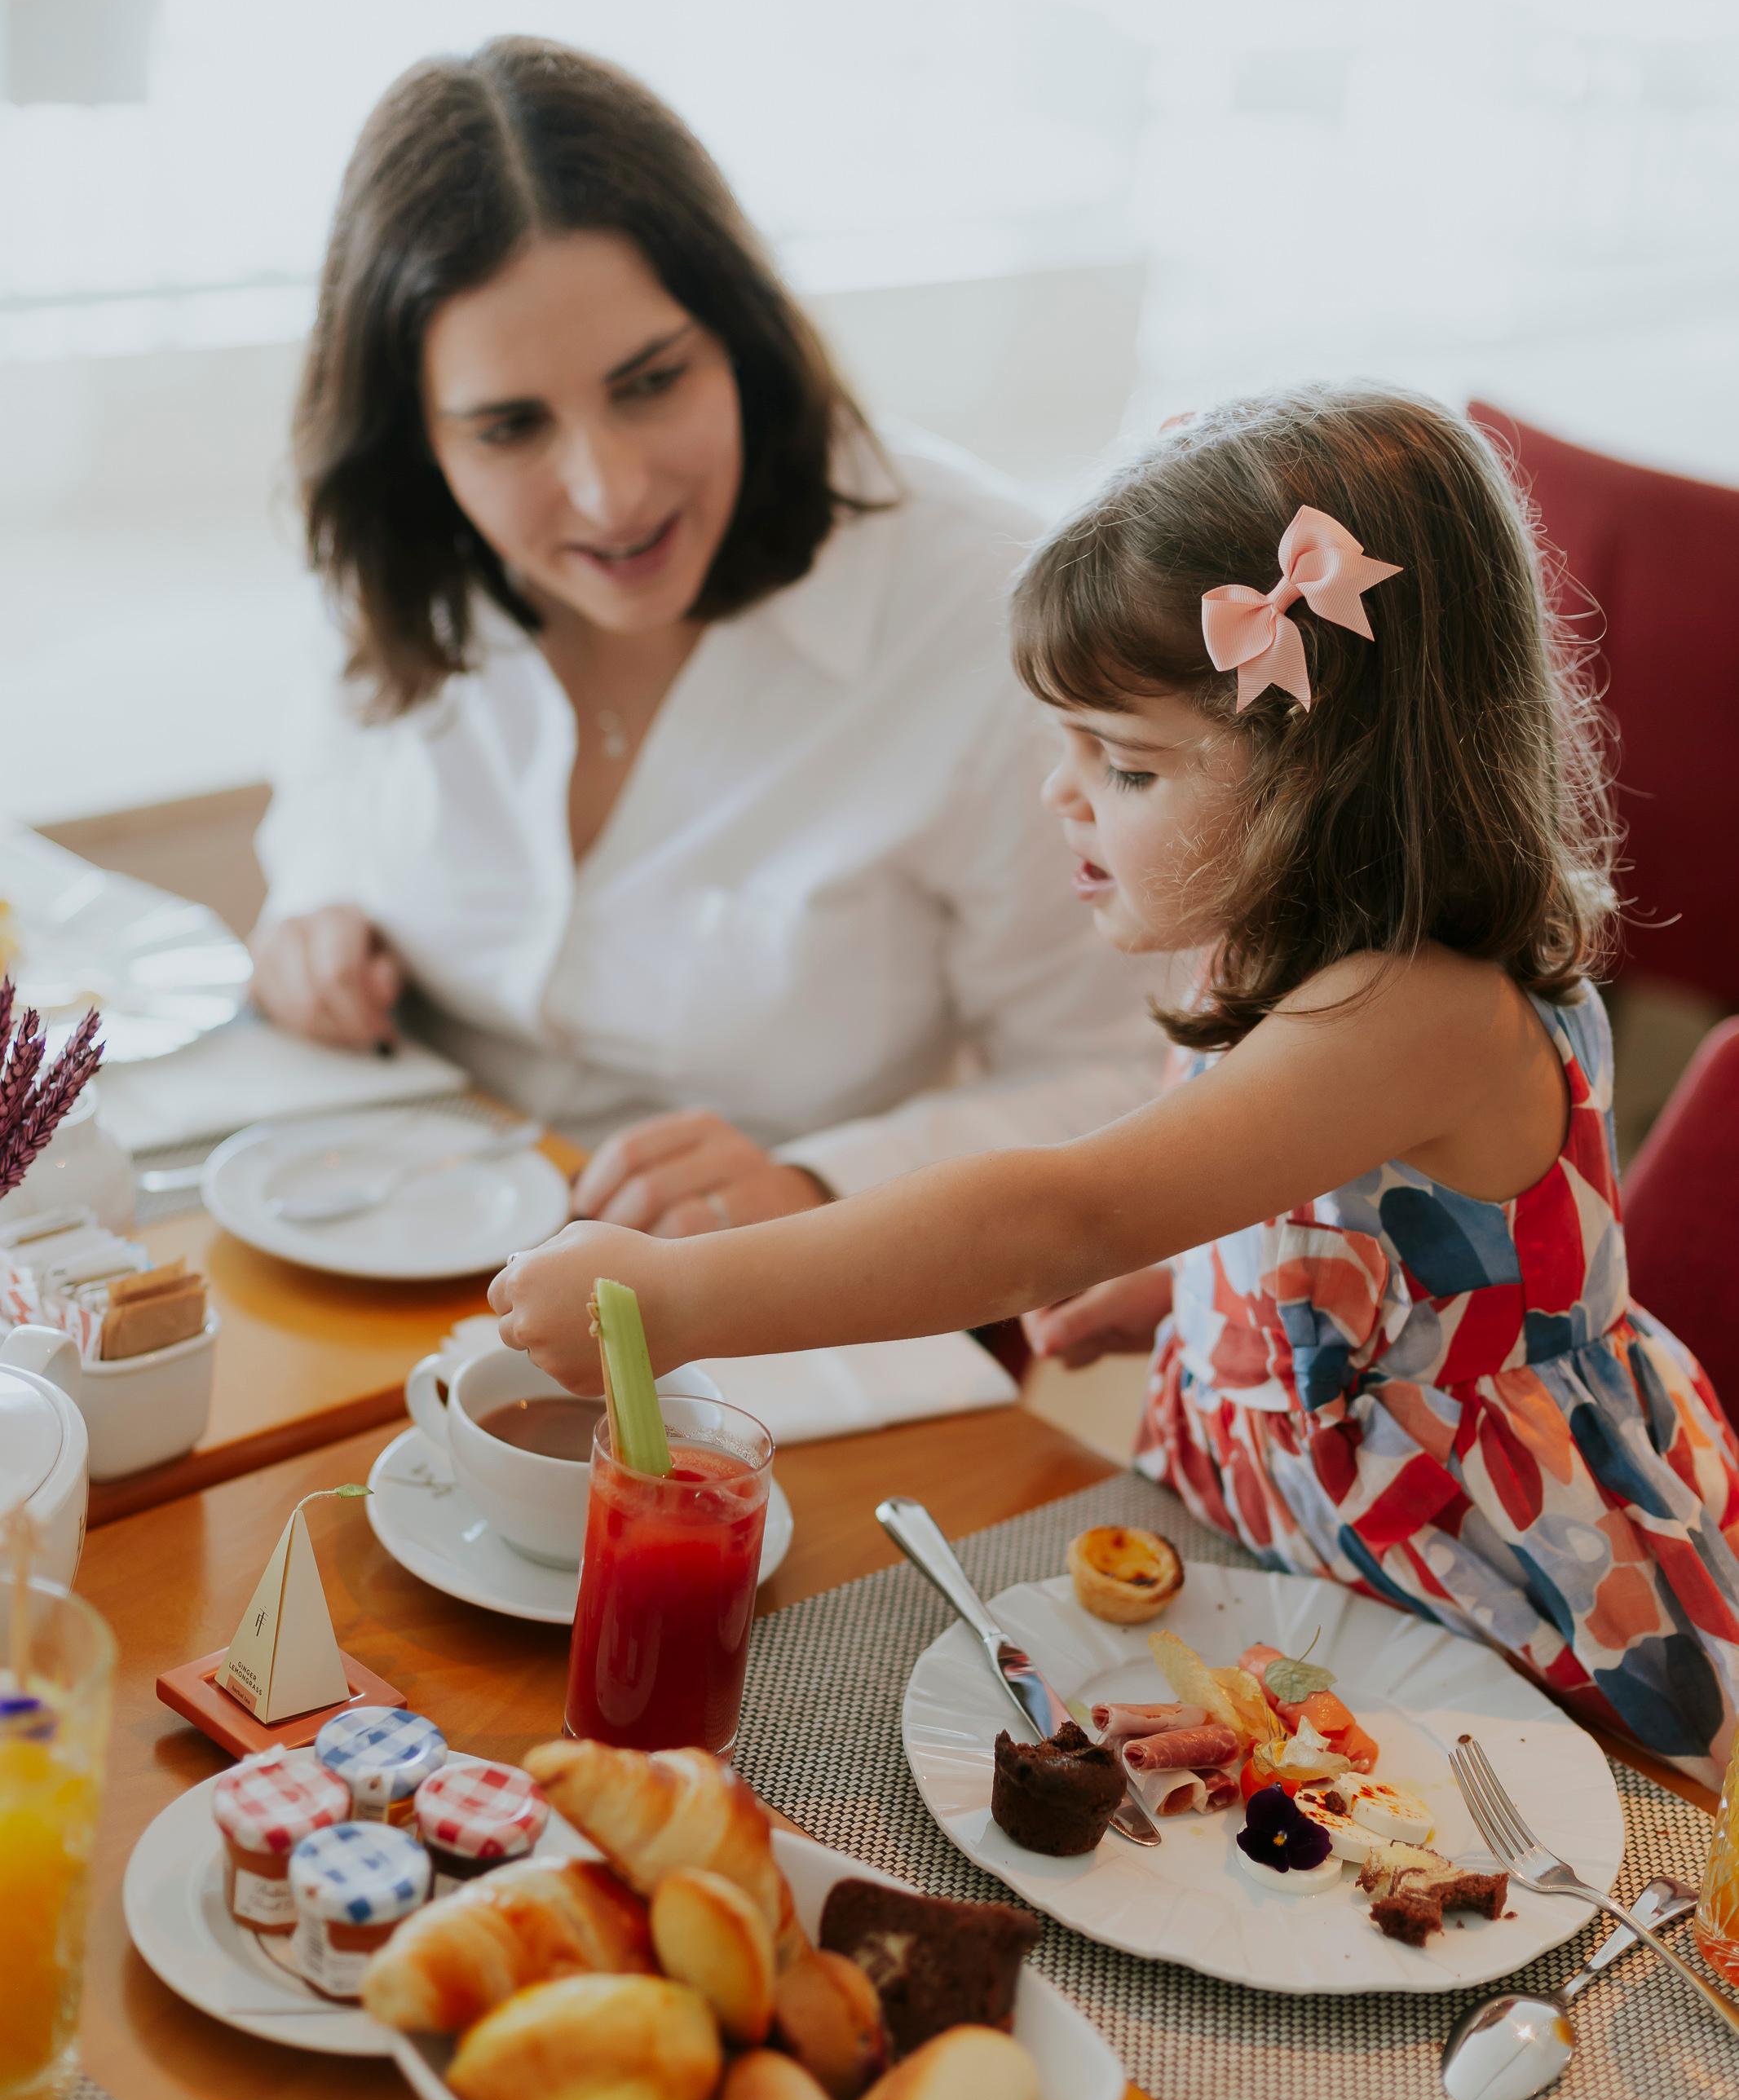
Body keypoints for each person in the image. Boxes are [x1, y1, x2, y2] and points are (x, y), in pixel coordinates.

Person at [488, 383, 1739, 1785]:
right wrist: (1196, 1289)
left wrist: (679, 1298)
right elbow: (1364, 1230)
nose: (1060, 796)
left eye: (1126, 764)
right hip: (1304, 1565)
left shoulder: (1413, 1011)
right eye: (1065, 743)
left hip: (1492, 1622)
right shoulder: (1266, 941)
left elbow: (1063, 1211)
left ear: (1331, 780)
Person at [251, 37, 1161, 1237]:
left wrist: (820, 1185)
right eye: (510, 429)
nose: (610, 493)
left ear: (737, 335)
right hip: (394, 1232)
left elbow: (1122, 1080)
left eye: (650, 383)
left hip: (781, 1304)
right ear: (417, 444)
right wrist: (306, 925)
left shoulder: (984, 610)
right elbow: (323, 827)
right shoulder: (397, 563)